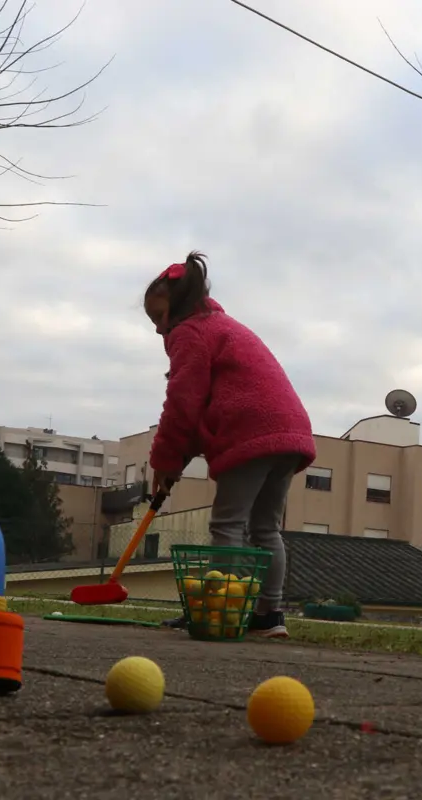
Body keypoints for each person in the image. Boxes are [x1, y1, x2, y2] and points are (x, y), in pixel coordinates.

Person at [145, 252, 317, 638]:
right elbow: (202, 406)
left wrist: (165, 459)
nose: (158, 329)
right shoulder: (221, 326)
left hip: (249, 430)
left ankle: (221, 608)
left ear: (181, 305)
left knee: (228, 524)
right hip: (289, 431)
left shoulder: (189, 332)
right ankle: (269, 615)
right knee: (266, 528)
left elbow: (182, 403)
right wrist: (179, 457)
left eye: (159, 317)